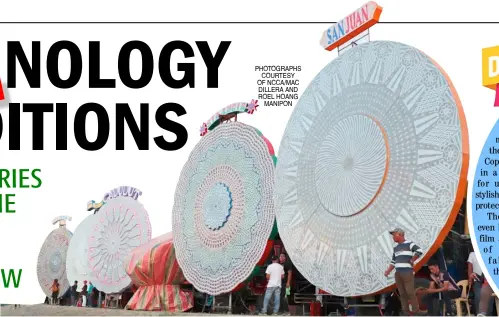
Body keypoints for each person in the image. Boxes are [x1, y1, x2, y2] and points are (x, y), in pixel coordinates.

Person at [384, 228, 424, 316]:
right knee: (402, 293)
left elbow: (419, 251)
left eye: (394, 235)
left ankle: (416, 310)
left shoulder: (410, 244)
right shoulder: (396, 248)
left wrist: (413, 259)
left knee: (410, 292)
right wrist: (388, 271)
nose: (393, 237)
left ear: (400, 234)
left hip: (407, 271)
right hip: (398, 273)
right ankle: (405, 311)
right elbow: (393, 261)